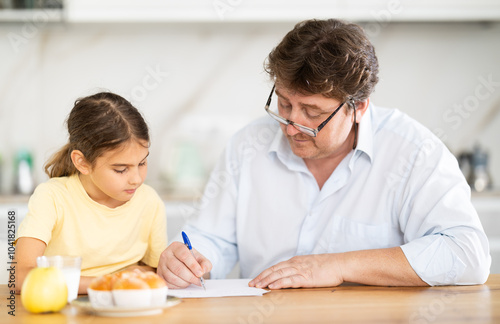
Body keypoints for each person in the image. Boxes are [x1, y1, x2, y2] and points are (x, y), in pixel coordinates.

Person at [157, 19, 491, 289]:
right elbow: (213, 237)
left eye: (313, 113)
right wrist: (188, 260)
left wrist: (338, 265)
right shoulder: (247, 146)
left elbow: (467, 254)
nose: (291, 126)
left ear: (358, 107)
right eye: (285, 104)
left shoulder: (414, 151)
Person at [14, 92, 167, 294]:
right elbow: (20, 276)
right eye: (121, 169)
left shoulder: (149, 201)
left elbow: (158, 272)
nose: (137, 179)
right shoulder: (52, 197)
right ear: (82, 162)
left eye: (142, 163)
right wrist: (109, 283)